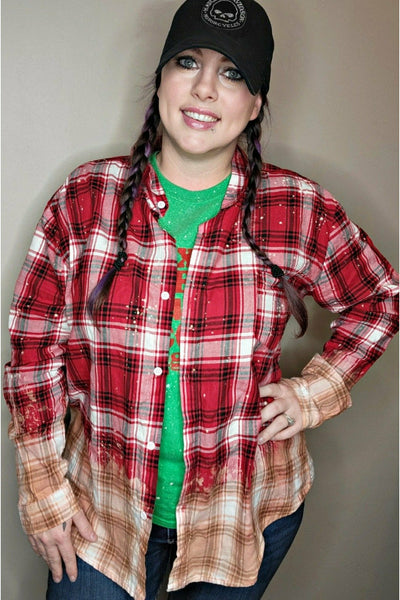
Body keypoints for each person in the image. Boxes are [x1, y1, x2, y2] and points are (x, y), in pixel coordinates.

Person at [3, 0, 398, 599]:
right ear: (161, 78)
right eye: (188, 62)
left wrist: (315, 392)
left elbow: (379, 298)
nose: (205, 88)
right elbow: (35, 353)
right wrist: (42, 489)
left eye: (232, 73)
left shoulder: (297, 208)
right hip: (100, 511)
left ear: (256, 103)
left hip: (241, 516)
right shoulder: (86, 198)